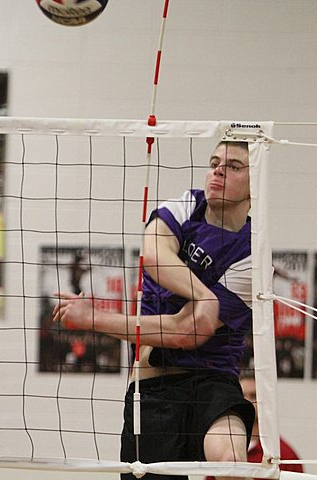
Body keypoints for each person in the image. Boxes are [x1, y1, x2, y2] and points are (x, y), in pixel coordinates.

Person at [53, 141, 255, 480]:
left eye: (234, 166)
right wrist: (204, 296)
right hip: (153, 390)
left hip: (211, 382)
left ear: (255, 182)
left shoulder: (252, 255)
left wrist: (93, 318)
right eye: (215, 162)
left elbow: (185, 332)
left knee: (232, 464)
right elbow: (154, 254)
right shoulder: (186, 206)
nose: (218, 170)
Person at [205, 376, 303, 480]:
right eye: (241, 396)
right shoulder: (220, 449)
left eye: (253, 396)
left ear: (265, 402)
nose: (247, 401)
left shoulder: (285, 455)